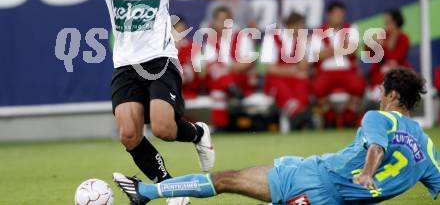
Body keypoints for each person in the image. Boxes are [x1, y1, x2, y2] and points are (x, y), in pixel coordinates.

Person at [27, 0, 266, 205]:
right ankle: (170, 189)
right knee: (129, 135)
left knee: (164, 129)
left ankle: (197, 132)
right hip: (125, 66)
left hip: (159, 61)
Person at [114, 68, 440, 205]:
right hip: (310, 170)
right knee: (226, 178)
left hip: (322, 192)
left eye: (383, 90)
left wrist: (368, 173)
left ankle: (148, 191)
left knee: (226, 179)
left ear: (394, 96)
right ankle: (146, 192)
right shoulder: (427, 148)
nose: (379, 94)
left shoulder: (378, 118)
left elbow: (377, 147)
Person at [311, 1, 366, 127]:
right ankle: (329, 116)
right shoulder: (318, 31)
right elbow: (317, 55)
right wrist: (342, 48)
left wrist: (330, 50)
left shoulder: (351, 28)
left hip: (346, 69)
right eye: (336, 15)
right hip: (326, 71)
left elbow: (353, 50)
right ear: (329, 15)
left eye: (341, 15)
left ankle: (349, 116)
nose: (339, 18)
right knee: (318, 88)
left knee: (358, 86)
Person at [204, 6, 257, 130]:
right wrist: (230, 69)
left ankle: (221, 126)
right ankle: (230, 87)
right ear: (214, 22)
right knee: (217, 81)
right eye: (220, 20)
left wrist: (229, 68)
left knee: (218, 81)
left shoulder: (242, 37)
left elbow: (249, 62)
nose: (224, 23)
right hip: (223, 80)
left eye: (226, 19)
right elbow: (210, 66)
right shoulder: (211, 41)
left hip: (240, 79)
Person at [261, 11, 312, 129]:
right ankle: (298, 117)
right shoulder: (272, 38)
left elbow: (304, 67)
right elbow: (270, 69)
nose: (301, 29)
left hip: (295, 79)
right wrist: (292, 70)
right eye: (299, 26)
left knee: (303, 83)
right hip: (277, 80)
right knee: (282, 89)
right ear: (291, 25)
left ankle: (300, 117)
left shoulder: (303, 40)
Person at [367, 9, 411, 102]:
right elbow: (370, 55)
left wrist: (383, 46)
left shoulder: (404, 38)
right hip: (380, 75)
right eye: (385, 22)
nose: (386, 25)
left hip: (398, 74)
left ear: (395, 22)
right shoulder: (382, 35)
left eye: (388, 22)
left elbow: (395, 58)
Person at [172, 16, 203, 100]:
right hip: (170, 86)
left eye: (182, 28)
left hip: (189, 87)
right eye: (177, 28)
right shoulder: (165, 48)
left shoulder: (192, 46)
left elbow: (199, 69)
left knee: (186, 69)